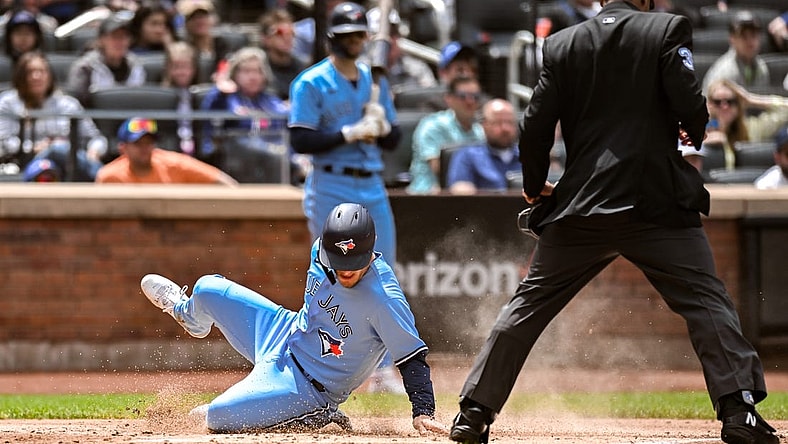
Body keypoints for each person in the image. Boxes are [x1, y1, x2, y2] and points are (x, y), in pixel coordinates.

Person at [448, 1, 780, 444]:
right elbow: (690, 102)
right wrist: (694, 130)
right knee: (706, 302)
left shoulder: (562, 43)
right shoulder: (667, 29)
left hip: (582, 202)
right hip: (656, 202)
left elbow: (535, 124)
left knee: (527, 307)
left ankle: (473, 414)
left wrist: (534, 185)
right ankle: (739, 412)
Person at [139, 202, 447, 435]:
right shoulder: (319, 252)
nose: (346, 270)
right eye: (339, 262)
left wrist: (423, 410)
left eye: (353, 262)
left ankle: (318, 415)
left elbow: (411, 356)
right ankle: (188, 316)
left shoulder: (384, 298)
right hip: (281, 331)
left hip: (308, 386)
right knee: (206, 289)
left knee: (217, 416)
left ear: (370, 252)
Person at [288, 2, 402, 393]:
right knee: (332, 271)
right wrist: (348, 132)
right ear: (333, 39)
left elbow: (394, 139)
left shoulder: (375, 81)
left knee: (383, 271)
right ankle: (326, 358)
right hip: (331, 183)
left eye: (359, 35)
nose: (355, 41)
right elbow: (300, 138)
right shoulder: (311, 82)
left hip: (371, 182)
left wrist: (382, 126)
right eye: (348, 35)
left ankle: (384, 367)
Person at [0, 51, 106, 181]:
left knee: (59, 149)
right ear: (20, 76)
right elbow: (4, 141)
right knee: (55, 149)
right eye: (30, 72)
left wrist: (94, 151)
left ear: (50, 76)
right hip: (27, 161)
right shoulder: (8, 102)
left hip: (69, 164)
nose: (36, 76)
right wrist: (33, 147)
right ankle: (105, 179)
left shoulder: (68, 104)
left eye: (42, 71)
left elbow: (97, 139)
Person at [200, 46, 292, 183]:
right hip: (235, 159)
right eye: (247, 71)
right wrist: (221, 94)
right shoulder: (224, 97)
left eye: (258, 71)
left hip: (272, 162)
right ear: (235, 74)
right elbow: (213, 117)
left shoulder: (269, 100)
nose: (253, 76)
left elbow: (285, 120)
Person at [95, 117, 238, 185]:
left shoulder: (176, 164)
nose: (145, 148)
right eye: (138, 144)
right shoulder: (109, 176)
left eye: (149, 143)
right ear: (123, 148)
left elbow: (225, 182)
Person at [406, 76, 485, 195]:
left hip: (469, 194)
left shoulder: (479, 131)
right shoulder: (433, 126)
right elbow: (439, 169)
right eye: (463, 96)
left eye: (475, 97)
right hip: (428, 195)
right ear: (449, 99)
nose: (470, 101)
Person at [700, 79, 788, 172]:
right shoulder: (698, 130)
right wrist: (702, 142)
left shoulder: (752, 128)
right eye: (717, 102)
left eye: (731, 101)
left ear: (739, 104)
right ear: (709, 105)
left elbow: (785, 111)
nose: (725, 106)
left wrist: (751, 99)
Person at [66, 11, 146, 107]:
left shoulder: (136, 64)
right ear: (101, 40)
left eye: (124, 37)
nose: (120, 42)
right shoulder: (85, 67)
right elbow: (76, 105)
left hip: (131, 119)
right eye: (115, 37)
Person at [446, 98, 520, 195]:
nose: (505, 128)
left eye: (510, 122)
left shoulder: (530, 156)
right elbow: (459, 190)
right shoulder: (468, 156)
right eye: (498, 123)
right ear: (484, 125)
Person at [365, 6, 437, 93]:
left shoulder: (417, 70)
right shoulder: (359, 72)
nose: (389, 40)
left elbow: (432, 100)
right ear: (367, 39)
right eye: (380, 36)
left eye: (393, 33)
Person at [702, 10, 770, 93]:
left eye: (753, 35)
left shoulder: (762, 67)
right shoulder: (724, 72)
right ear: (732, 39)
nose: (750, 42)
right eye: (744, 36)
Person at [258, 8, 306, 101]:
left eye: (291, 33)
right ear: (265, 39)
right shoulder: (258, 67)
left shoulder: (302, 67)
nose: (287, 38)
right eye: (280, 33)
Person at [161, 41, 200, 156]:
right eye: (176, 67)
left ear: (194, 68)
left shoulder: (200, 95)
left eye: (186, 67)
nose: (181, 72)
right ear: (167, 68)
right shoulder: (159, 97)